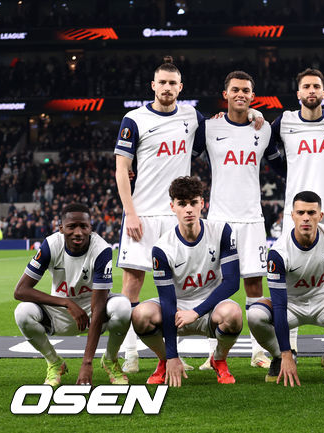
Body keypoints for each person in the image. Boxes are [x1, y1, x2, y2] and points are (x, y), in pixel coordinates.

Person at [114, 56, 205, 373]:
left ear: (181, 87)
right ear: (153, 86)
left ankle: (174, 354)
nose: (167, 87)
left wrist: (254, 115)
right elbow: (121, 170)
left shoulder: (192, 117)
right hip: (142, 214)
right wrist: (131, 214)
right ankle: (130, 353)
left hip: (177, 214)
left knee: (185, 287)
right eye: (162, 82)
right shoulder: (134, 119)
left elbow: (221, 134)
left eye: (172, 83)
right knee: (132, 286)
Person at [199, 70, 284, 370]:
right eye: (235, 89)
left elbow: (280, 166)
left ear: (252, 95)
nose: (241, 94)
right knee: (214, 285)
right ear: (225, 94)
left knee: (253, 284)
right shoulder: (208, 128)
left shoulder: (263, 130)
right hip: (218, 221)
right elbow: (184, 157)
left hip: (251, 219)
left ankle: (257, 352)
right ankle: (213, 354)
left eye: (246, 91)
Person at [247, 191, 324, 385]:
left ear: (320, 216)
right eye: (301, 212)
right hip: (290, 305)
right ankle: (279, 358)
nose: (306, 218)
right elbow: (278, 305)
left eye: (311, 213)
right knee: (255, 315)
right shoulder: (278, 252)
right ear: (292, 215)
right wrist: (286, 353)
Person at [131, 176, 242, 386]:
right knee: (140, 315)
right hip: (177, 309)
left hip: (210, 307)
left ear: (203, 203)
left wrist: (197, 312)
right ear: (173, 207)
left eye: (193, 202)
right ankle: (164, 361)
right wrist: (172, 355)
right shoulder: (163, 248)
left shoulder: (222, 232)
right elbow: (167, 301)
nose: (188, 209)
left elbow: (232, 283)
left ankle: (218, 359)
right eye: (182, 204)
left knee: (233, 314)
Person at [271, 68, 324, 361]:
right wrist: (288, 173)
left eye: (317, 86)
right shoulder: (285, 121)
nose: (312, 91)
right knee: (288, 276)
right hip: (295, 212)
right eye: (306, 86)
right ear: (298, 93)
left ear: (323, 93)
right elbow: (265, 147)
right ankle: (285, 350)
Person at [14, 203, 131, 386]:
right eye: (71, 227)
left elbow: (99, 306)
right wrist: (67, 303)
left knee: (123, 307)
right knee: (22, 312)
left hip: (93, 311)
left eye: (83, 226)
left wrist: (87, 362)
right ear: (61, 228)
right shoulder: (51, 245)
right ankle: (55, 363)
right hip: (60, 311)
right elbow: (20, 290)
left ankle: (110, 360)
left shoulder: (101, 249)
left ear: (90, 228)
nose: (78, 232)